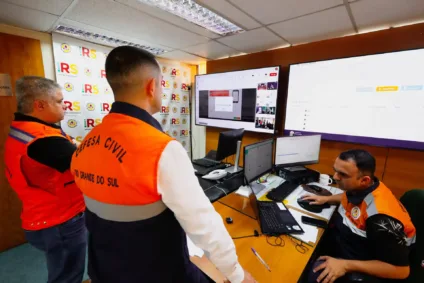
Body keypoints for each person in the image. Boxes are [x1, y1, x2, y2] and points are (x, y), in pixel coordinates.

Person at [70, 46, 256, 283]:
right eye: (161, 83)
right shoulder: (161, 149)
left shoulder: (87, 142)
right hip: (158, 273)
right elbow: (205, 227)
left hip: (105, 270)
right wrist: (238, 276)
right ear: (151, 86)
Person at [4, 76, 86, 283]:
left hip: (40, 216)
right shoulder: (44, 140)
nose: (65, 105)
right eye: (59, 101)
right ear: (39, 105)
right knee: (68, 276)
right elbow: (86, 161)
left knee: (61, 270)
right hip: (60, 221)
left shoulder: (23, 128)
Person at [303, 149, 416, 283]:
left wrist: (345, 265)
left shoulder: (380, 220)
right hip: (348, 244)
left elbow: (401, 271)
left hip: (361, 263)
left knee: (314, 272)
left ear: (364, 180)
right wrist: (326, 199)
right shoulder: (364, 187)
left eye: (342, 174)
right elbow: (347, 196)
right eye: (335, 170)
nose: (335, 177)